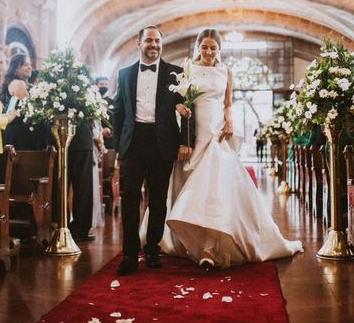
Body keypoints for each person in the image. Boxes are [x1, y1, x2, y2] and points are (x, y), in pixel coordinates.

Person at [163, 29, 302, 270]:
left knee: (215, 191)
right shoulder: (186, 69)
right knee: (190, 188)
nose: (208, 52)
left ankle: (209, 247)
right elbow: (179, 101)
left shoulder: (226, 71)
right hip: (194, 134)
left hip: (217, 135)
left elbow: (227, 104)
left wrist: (229, 121)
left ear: (219, 50)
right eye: (205, 47)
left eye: (213, 48)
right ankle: (186, 243)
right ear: (198, 47)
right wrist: (181, 125)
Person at [112, 26, 193, 276]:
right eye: (148, 40)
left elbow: (187, 109)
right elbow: (118, 110)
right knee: (130, 197)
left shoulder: (175, 73)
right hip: (133, 142)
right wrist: (118, 145)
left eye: (157, 41)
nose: (154, 45)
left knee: (158, 199)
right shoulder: (124, 74)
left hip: (162, 142)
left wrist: (184, 140)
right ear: (139, 43)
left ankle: (152, 251)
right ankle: (129, 254)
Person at [1, 54, 50, 150]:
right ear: (15, 69)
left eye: (30, 64)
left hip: (14, 132)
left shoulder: (14, 82)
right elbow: (29, 109)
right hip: (19, 133)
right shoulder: (19, 83)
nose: (29, 67)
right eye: (25, 65)